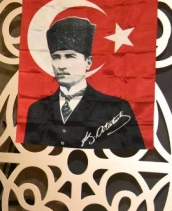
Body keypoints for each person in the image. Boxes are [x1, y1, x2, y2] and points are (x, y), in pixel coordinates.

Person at [24, 16, 145, 149]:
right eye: (56, 57)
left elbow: (134, 155)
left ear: (88, 62)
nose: (61, 65)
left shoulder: (116, 109)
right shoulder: (37, 109)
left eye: (70, 56)